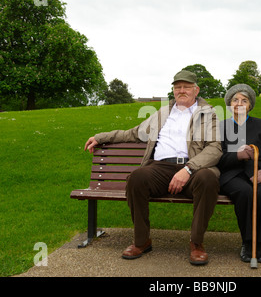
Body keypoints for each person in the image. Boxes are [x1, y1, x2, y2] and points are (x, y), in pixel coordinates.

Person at [84, 70, 222, 266]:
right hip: (161, 167)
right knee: (137, 178)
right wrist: (101, 137)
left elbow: (216, 147)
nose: (181, 90)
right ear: (173, 90)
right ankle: (142, 241)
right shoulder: (163, 113)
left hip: (194, 168)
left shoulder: (208, 114)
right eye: (177, 87)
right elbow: (133, 133)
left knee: (208, 179)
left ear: (196, 90)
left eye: (186, 87)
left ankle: (197, 243)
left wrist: (189, 169)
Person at [218, 83, 261, 263]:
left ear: (250, 105)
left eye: (244, 100)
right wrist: (238, 155)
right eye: (235, 100)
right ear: (229, 105)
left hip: (258, 172)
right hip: (231, 175)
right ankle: (247, 242)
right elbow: (217, 157)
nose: (239, 103)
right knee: (245, 193)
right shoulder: (220, 127)